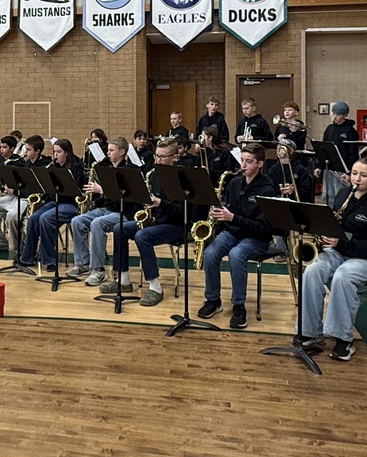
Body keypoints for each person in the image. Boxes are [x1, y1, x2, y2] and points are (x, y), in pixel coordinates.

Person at [298, 155, 367, 361]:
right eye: (354, 174)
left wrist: (342, 244)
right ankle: (309, 332)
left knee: (342, 276)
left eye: (363, 175)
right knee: (312, 270)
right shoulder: (344, 194)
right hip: (341, 252)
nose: (356, 179)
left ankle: (343, 338)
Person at [197, 144, 277, 328]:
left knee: (236, 255)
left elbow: (264, 227)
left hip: (256, 238)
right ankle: (213, 300)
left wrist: (232, 217)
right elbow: (230, 212)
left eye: (249, 162)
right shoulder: (234, 183)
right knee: (210, 253)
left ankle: (239, 305)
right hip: (233, 232)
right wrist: (220, 214)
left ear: (260, 164)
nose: (243, 165)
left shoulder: (267, 189)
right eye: (242, 160)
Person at [102, 137, 186, 305]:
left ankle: (155, 287)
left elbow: (183, 212)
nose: (158, 160)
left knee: (142, 236)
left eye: (163, 157)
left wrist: (161, 203)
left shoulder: (182, 178)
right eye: (157, 156)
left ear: (174, 157)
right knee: (119, 229)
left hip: (177, 225)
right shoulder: (154, 175)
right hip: (157, 221)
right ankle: (123, 280)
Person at [68, 136, 138, 286]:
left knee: (97, 224)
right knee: (77, 221)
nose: (108, 153)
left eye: (111, 150)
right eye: (108, 150)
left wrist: (102, 190)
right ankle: (82, 263)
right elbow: (106, 199)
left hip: (124, 213)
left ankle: (98, 269)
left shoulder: (130, 171)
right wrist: (92, 200)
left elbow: (128, 198)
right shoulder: (108, 169)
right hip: (106, 209)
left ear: (122, 152)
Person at [17, 138, 84, 272]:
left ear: (67, 153)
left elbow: (77, 192)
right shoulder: (53, 167)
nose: (55, 155)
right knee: (34, 218)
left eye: (59, 152)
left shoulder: (76, 168)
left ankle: (49, 260)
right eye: (54, 152)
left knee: (46, 218)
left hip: (71, 204)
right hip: (55, 201)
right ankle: (27, 257)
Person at [0, 134, 50, 255]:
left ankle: (19, 249)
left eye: (28, 150)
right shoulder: (25, 163)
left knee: (12, 216)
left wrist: (15, 190)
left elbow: (36, 190)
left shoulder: (44, 166)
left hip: (27, 198)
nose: (25, 152)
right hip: (14, 196)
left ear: (38, 151)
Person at [315, 101, 359, 206]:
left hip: (342, 170)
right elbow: (323, 149)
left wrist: (350, 173)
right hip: (328, 168)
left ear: (345, 115)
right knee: (327, 194)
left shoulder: (350, 131)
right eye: (333, 114)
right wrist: (319, 166)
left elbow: (353, 153)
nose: (334, 117)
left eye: (338, 115)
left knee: (339, 194)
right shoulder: (329, 129)